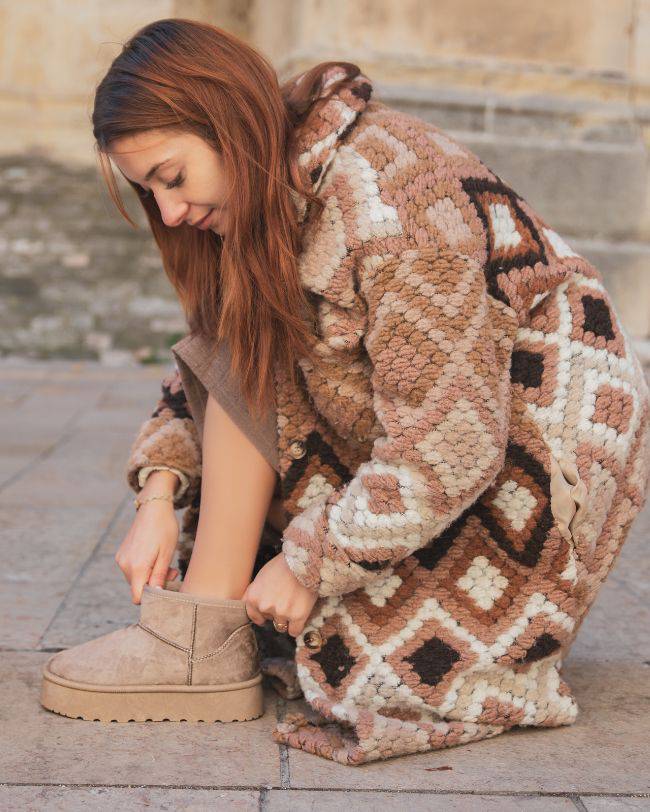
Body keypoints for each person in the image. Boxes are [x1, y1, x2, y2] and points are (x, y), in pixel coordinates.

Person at [40, 17, 650, 766]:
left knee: (367, 666)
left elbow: (452, 445)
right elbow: (209, 359)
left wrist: (309, 560)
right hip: (430, 436)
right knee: (249, 327)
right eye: (149, 193)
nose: (169, 213)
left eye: (172, 177)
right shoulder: (277, 197)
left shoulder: (395, 207)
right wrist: (159, 494)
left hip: (531, 473)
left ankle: (223, 624)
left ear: (226, 122)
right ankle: (203, 630)